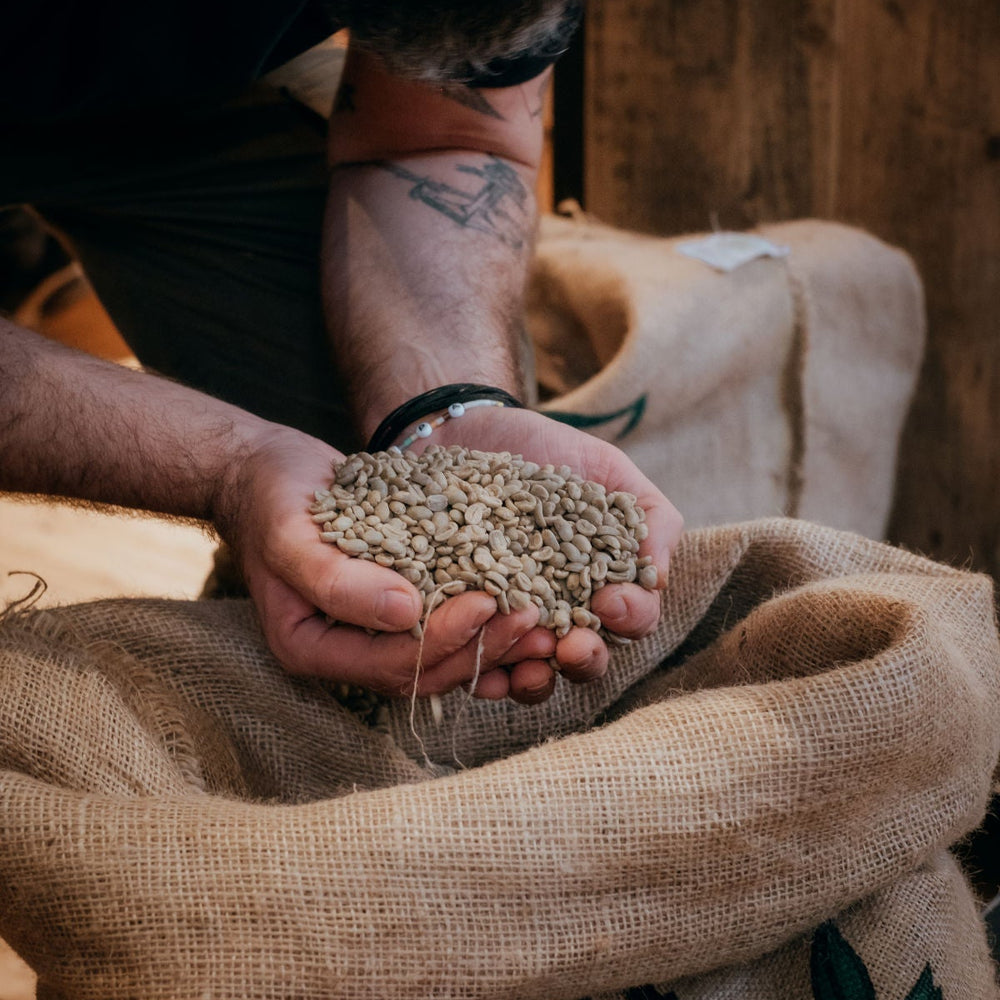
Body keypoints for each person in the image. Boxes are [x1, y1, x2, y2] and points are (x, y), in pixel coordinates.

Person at [0, 1, 683, 706]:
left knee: (346, 474)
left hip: (171, 98)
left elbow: (438, 141)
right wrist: (222, 468)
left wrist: (442, 411)